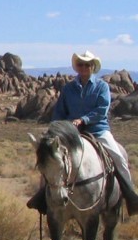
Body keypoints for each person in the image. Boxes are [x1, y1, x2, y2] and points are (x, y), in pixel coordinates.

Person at [27, 50, 138, 215]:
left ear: (93, 67)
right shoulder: (68, 88)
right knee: (51, 160)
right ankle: (43, 198)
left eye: (87, 64)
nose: (84, 67)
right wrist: (56, 128)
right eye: (81, 64)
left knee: (118, 157)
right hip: (71, 133)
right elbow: (59, 111)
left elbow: (101, 110)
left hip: (98, 129)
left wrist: (83, 120)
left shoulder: (102, 87)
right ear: (77, 67)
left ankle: (130, 196)